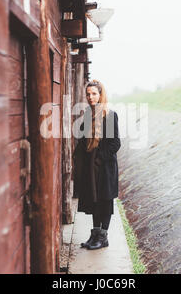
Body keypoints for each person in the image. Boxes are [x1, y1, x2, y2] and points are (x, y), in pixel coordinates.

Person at [73, 80, 121, 250]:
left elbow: (115, 144)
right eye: (88, 94)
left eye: (94, 93)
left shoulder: (109, 114)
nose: (90, 97)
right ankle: (95, 236)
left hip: (104, 166)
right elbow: (83, 138)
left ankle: (103, 237)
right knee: (95, 202)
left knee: (105, 201)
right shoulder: (89, 113)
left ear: (101, 95)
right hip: (91, 167)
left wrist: (99, 158)